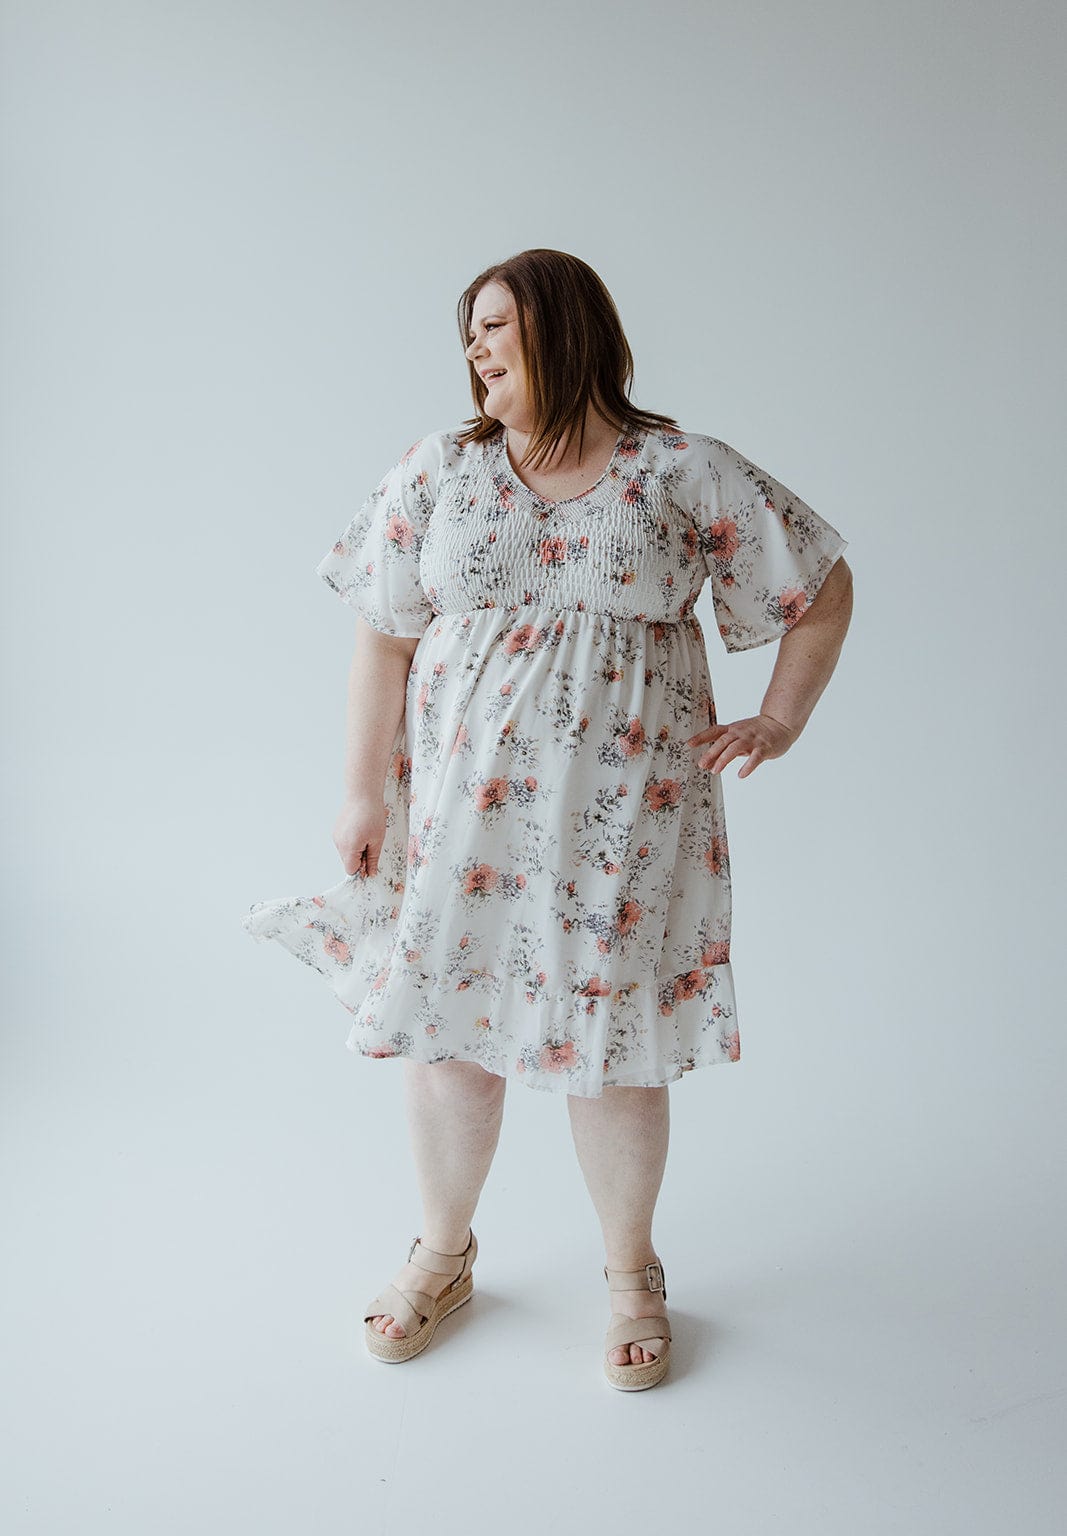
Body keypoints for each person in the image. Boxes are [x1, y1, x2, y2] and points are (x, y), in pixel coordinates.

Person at [243, 248, 853, 1390]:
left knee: (610, 1053)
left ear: (564, 329)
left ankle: (631, 1274)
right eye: (467, 331)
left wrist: (778, 719)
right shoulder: (441, 470)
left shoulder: (678, 471)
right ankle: (441, 1255)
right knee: (445, 1039)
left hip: (626, 821)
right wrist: (362, 790)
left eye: (494, 326)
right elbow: (383, 633)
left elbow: (816, 583)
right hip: (461, 822)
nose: (473, 348)